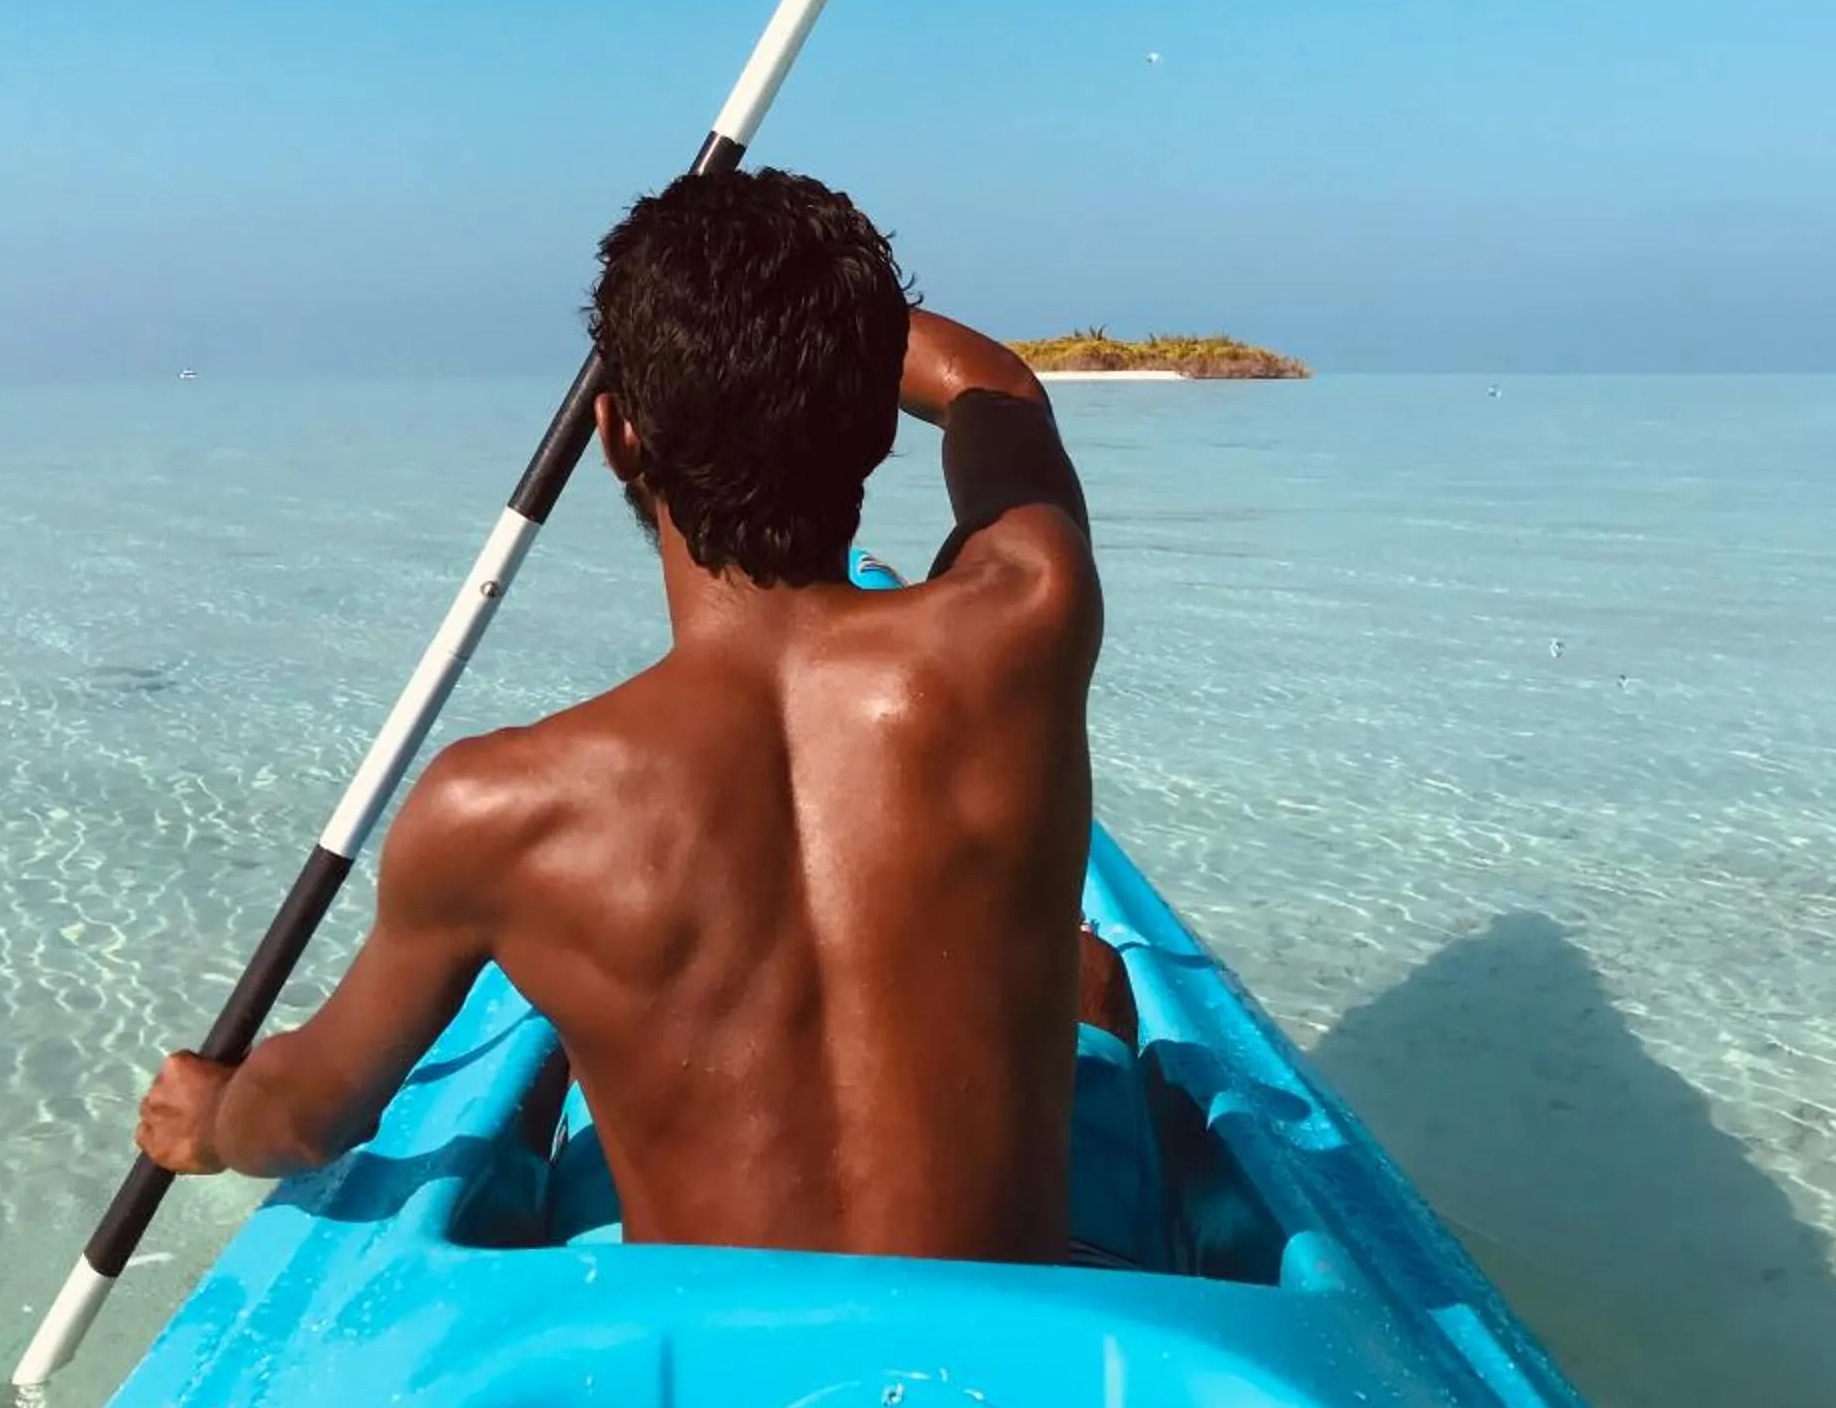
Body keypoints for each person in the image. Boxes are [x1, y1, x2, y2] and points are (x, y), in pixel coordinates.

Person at [136, 167, 1145, 1265]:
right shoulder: (1023, 621)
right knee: (1094, 981)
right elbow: (994, 388)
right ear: (874, 430)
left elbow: (310, 1117)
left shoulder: (499, 811)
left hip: (697, 1351)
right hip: (1006, 1330)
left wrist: (213, 1121)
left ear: (616, 436)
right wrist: (823, 337)